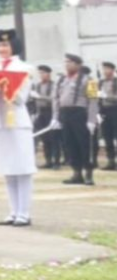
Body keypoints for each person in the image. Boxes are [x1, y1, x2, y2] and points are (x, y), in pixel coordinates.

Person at [0, 29, 37, 226]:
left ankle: (24, 212)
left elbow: (21, 99)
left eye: (5, 45)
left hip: (17, 121)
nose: (2, 49)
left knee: (22, 168)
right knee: (7, 168)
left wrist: (6, 87)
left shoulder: (24, 68)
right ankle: (13, 211)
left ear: (14, 46)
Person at [52, 54, 98, 186]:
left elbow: (93, 101)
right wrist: (55, 117)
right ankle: (76, 173)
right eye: (65, 62)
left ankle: (88, 173)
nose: (66, 64)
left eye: (70, 62)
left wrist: (91, 120)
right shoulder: (61, 80)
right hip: (65, 114)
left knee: (84, 144)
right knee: (69, 144)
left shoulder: (90, 80)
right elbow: (55, 99)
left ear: (78, 65)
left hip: (80, 114)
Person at [33, 65, 61, 169]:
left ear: (49, 74)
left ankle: (56, 162)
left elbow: (54, 99)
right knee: (44, 139)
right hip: (41, 113)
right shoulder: (38, 85)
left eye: (43, 73)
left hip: (51, 112)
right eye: (40, 73)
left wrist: (40, 97)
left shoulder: (54, 85)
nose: (41, 75)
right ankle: (48, 160)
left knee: (54, 138)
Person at [99, 62, 116, 171]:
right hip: (104, 111)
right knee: (107, 137)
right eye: (104, 69)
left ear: (113, 70)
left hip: (115, 110)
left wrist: (107, 96)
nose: (105, 71)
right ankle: (111, 161)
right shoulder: (100, 82)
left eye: (107, 69)